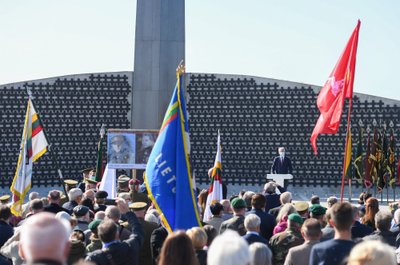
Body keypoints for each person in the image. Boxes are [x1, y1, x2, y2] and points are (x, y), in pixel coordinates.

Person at [85, 199, 144, 265]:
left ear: (99, 236)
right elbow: (138, 231)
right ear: (117, 234)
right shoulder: (130, 246)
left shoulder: (94, 258)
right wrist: (128, 212)